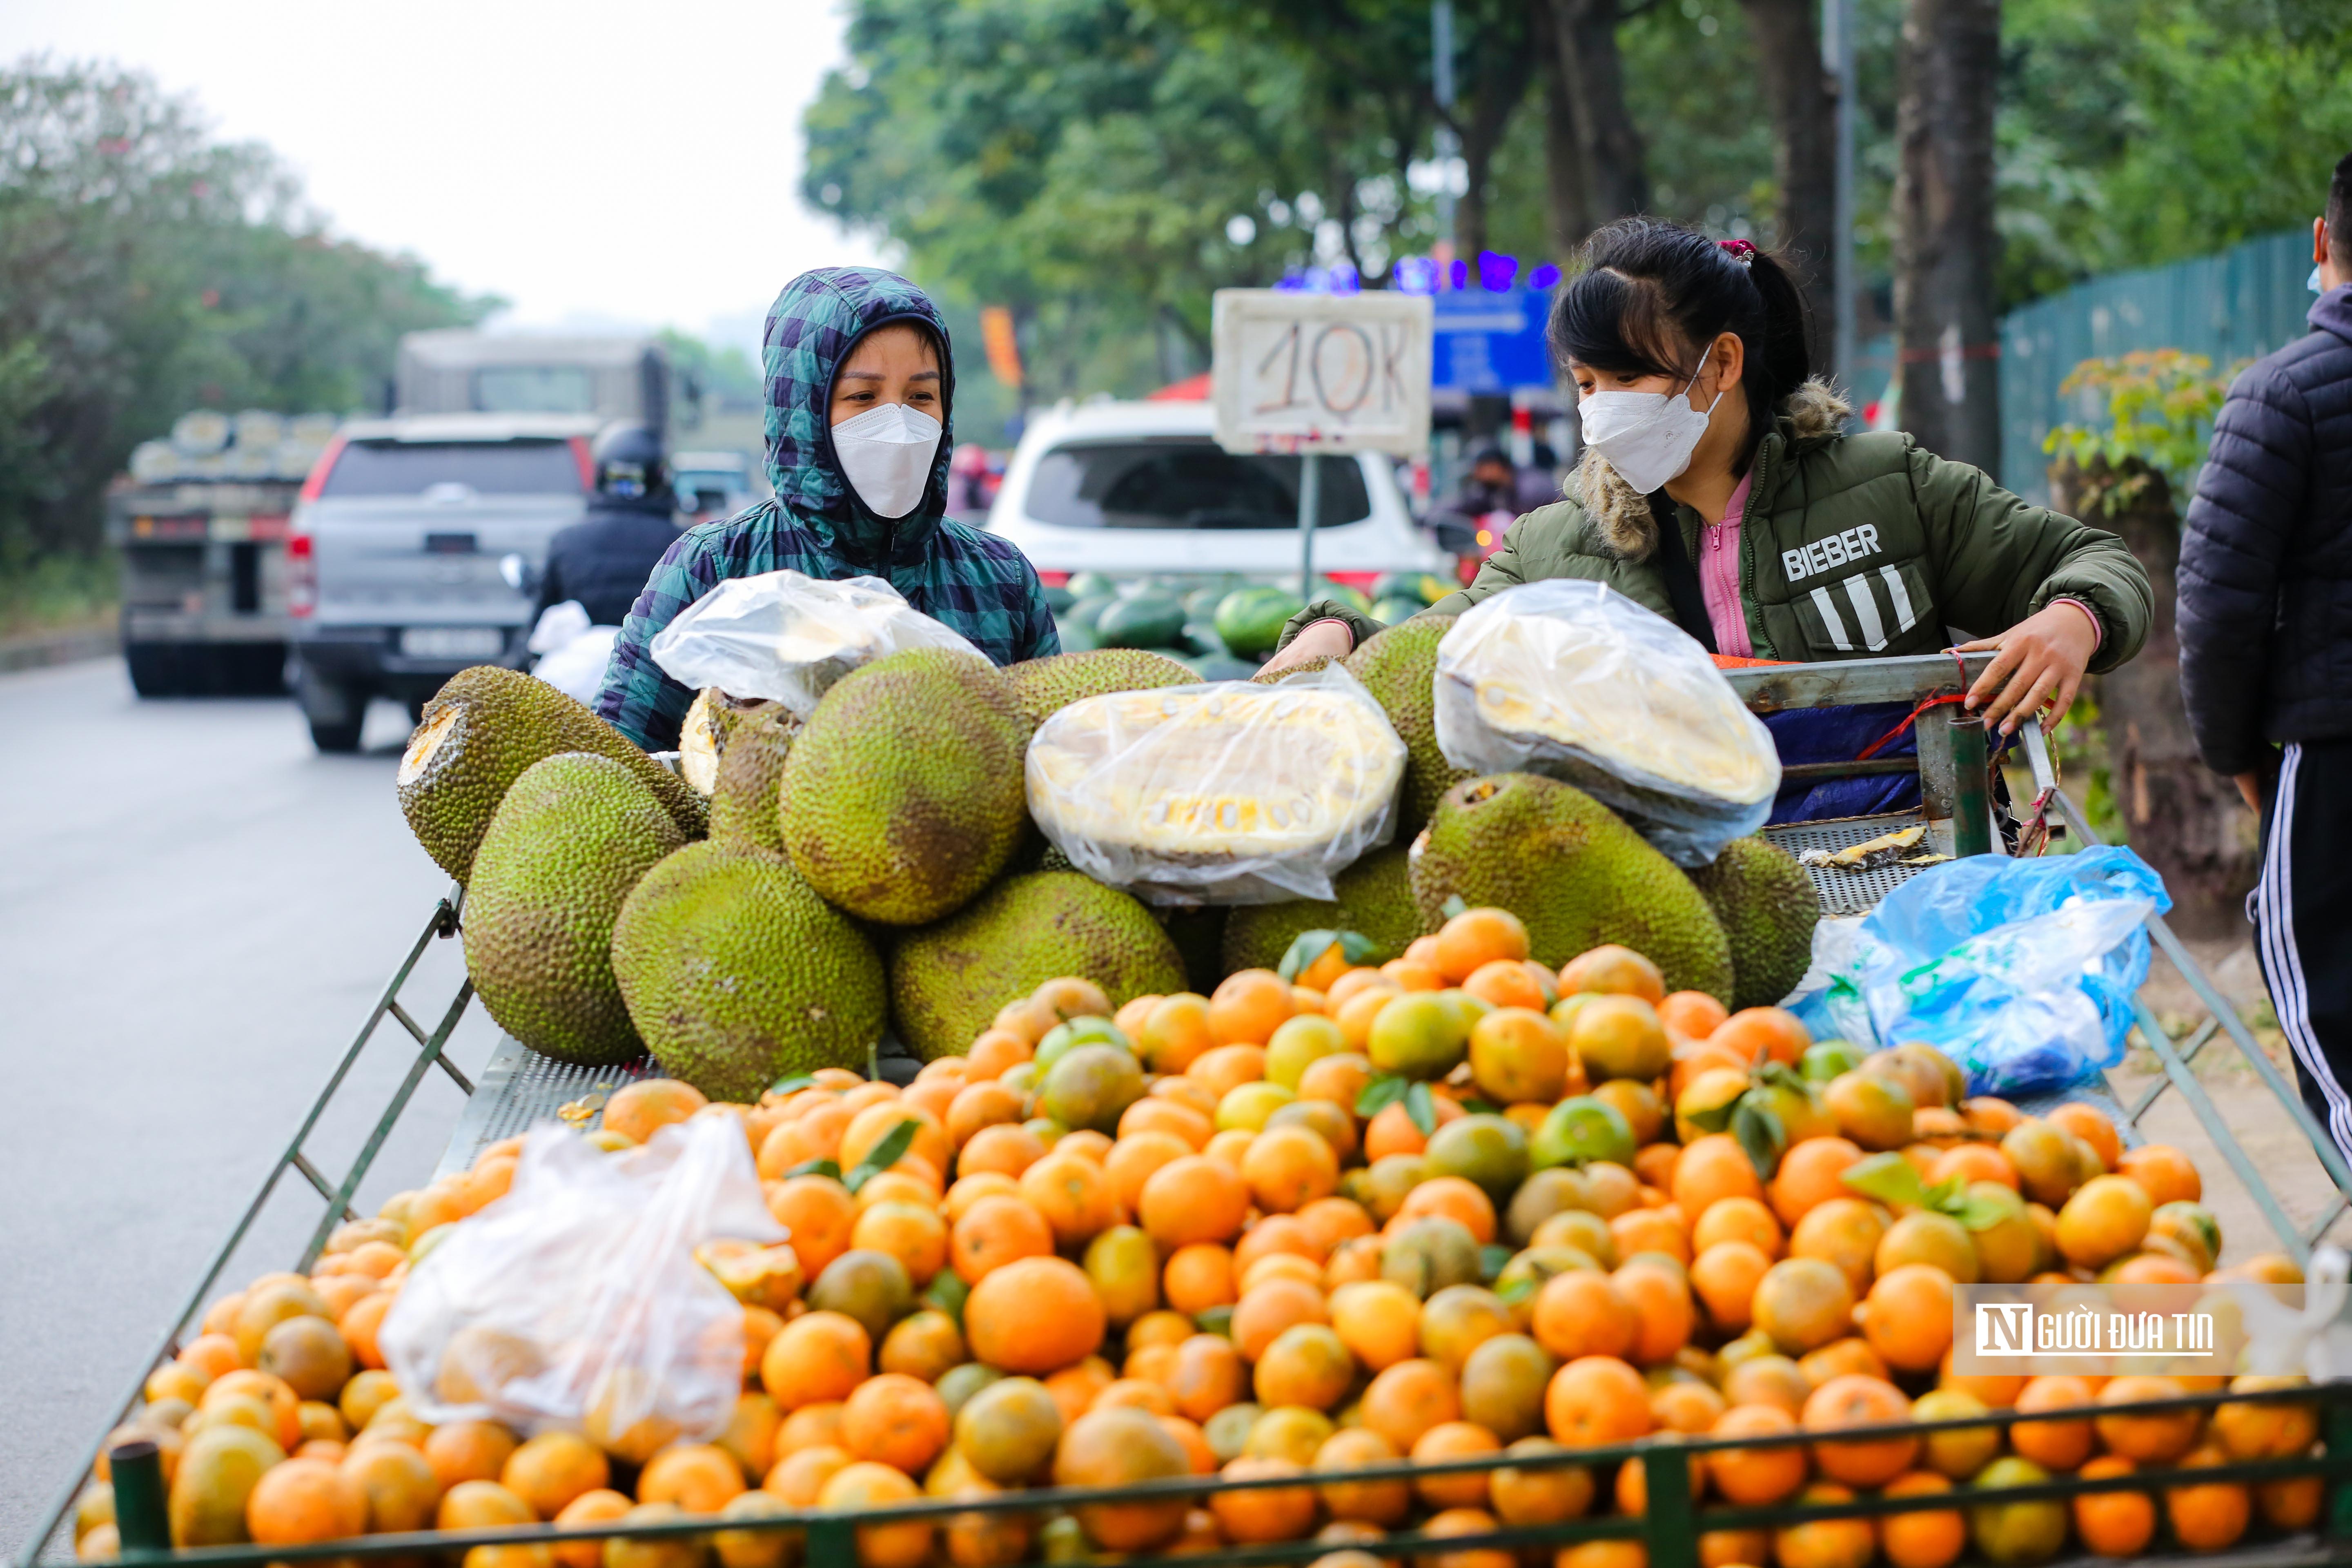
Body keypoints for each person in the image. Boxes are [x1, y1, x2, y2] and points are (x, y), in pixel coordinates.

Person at [1265, 218, 2151, 751]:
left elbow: (2096, 560)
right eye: (1585, 385)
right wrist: (1337, 633)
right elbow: (1433, 644)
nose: (1602, 411)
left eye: (1628, 378)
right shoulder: (1552, 548)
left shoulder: (1889, 486)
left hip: (1898, 854)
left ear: (1719, 363)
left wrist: (2073, 620)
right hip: (1676, 887)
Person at [597, 267, 1058, 750]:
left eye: (922, 396)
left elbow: (1052, 761)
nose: (899, 422)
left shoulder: (1001, 579)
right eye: (864, 397)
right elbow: (615, 761)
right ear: (804, 412)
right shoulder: (714, 567)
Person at [2176, 151, 2352, 1160]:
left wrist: (2241, 759)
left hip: (2329, 763)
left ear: (2320, 244)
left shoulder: (2278, 397)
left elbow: (2216, 609)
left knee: (2327, 1004)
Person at [535, 421, 684, 629]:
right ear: (660, 477)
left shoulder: (567, 541)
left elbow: (541, 622)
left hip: (580, 659)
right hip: (654, 658)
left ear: (601, 474)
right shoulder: (684, 544)